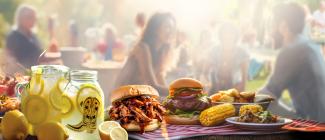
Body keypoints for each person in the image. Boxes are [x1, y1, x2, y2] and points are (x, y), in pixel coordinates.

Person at [259, 3, 325, 122]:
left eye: (272, 24)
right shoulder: (310, 45)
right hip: (319, 116)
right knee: (282, 101)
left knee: (260, 102)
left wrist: (240, 100)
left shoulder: (291, 51)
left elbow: (266, 95)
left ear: (283, 25)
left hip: (313, 124)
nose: (270, 32)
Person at [114, 12, 176, 96]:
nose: (171, 31)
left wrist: (177, 96)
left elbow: (161, 83)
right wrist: (181, 92)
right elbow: (153, 86)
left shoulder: (161, 53)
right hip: (122, 98)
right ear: (155, 29)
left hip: (139, 96)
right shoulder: (142, 48)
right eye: (167, 27)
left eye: (172, 28)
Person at [209, 22, 249, 94]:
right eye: (225, 33)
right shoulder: (214, 50)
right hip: (216, 88)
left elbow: (244, 76)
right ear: (220, 35)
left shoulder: (242, 52)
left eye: (230, 33)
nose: (227, 35)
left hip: (234, 88)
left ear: (235, 35)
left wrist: (242, 87)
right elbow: (207, 71)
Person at [5, 4, 42, 69]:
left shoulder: (33, 35)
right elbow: (9, 58)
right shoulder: (13, 36)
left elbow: (40, 54)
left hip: (37, 72)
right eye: (30, 17)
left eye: (34, 17)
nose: (33, 20)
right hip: (22, 75)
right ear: (20, 18)